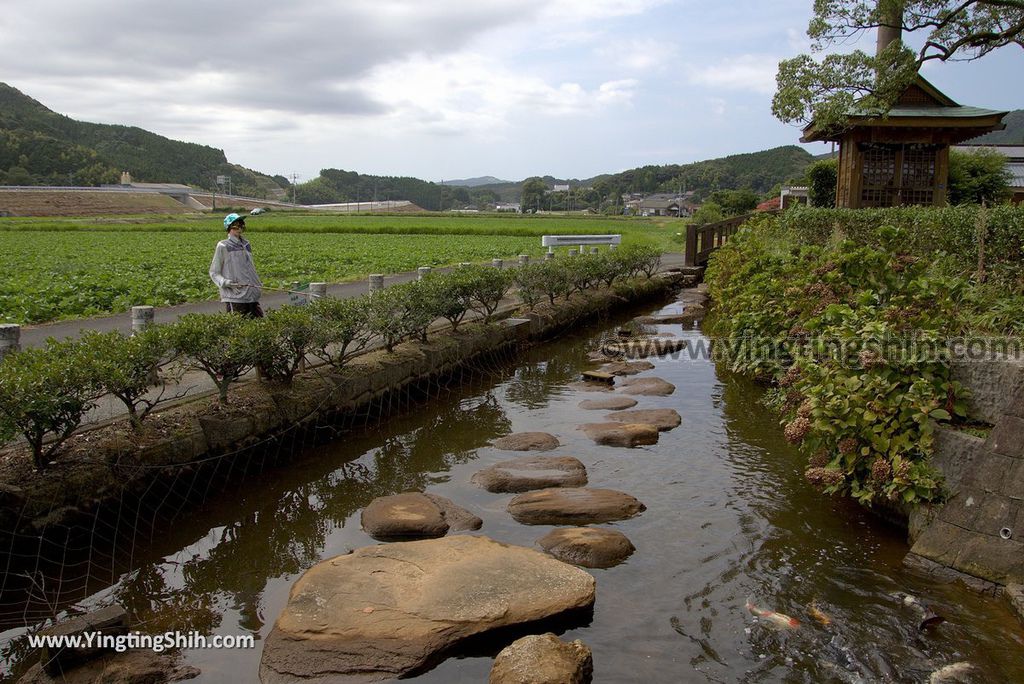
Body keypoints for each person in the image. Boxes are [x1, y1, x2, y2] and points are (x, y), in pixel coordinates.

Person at [209, 213, 264, 317]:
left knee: (259, 326)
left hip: (252, 294)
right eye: (235, 226)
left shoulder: (246, 244)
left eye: (241, 225)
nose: (239, 228)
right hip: (235, 296)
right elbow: (214, 272)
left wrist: (257, 284)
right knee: (239, 328)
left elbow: (250, 268)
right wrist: (226, 283)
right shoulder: (223, 246)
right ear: (229, 228)